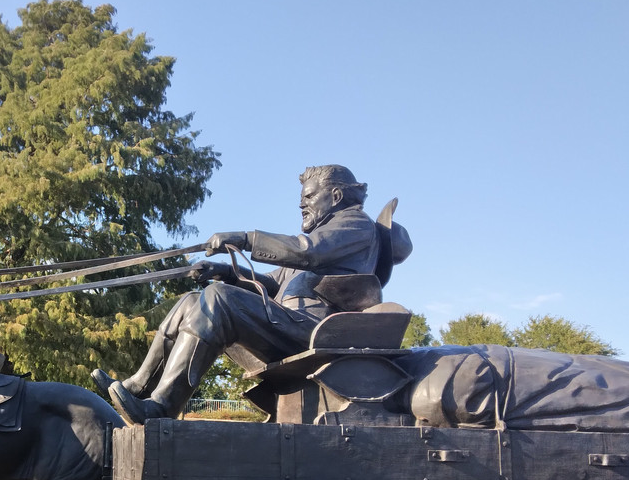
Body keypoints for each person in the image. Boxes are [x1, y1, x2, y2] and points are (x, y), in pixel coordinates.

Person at [93, 164, 410, 425]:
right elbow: (271, 283)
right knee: (192, 300)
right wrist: (225, 272)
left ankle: (163, 406)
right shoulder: (325, 235)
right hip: (287, 323)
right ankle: (140, 384)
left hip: (315, 330)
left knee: (219, 299)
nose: (302, 204)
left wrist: (245, 238)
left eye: (310, 196)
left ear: (336, 195)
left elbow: (307, 251)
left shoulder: (354, 224)